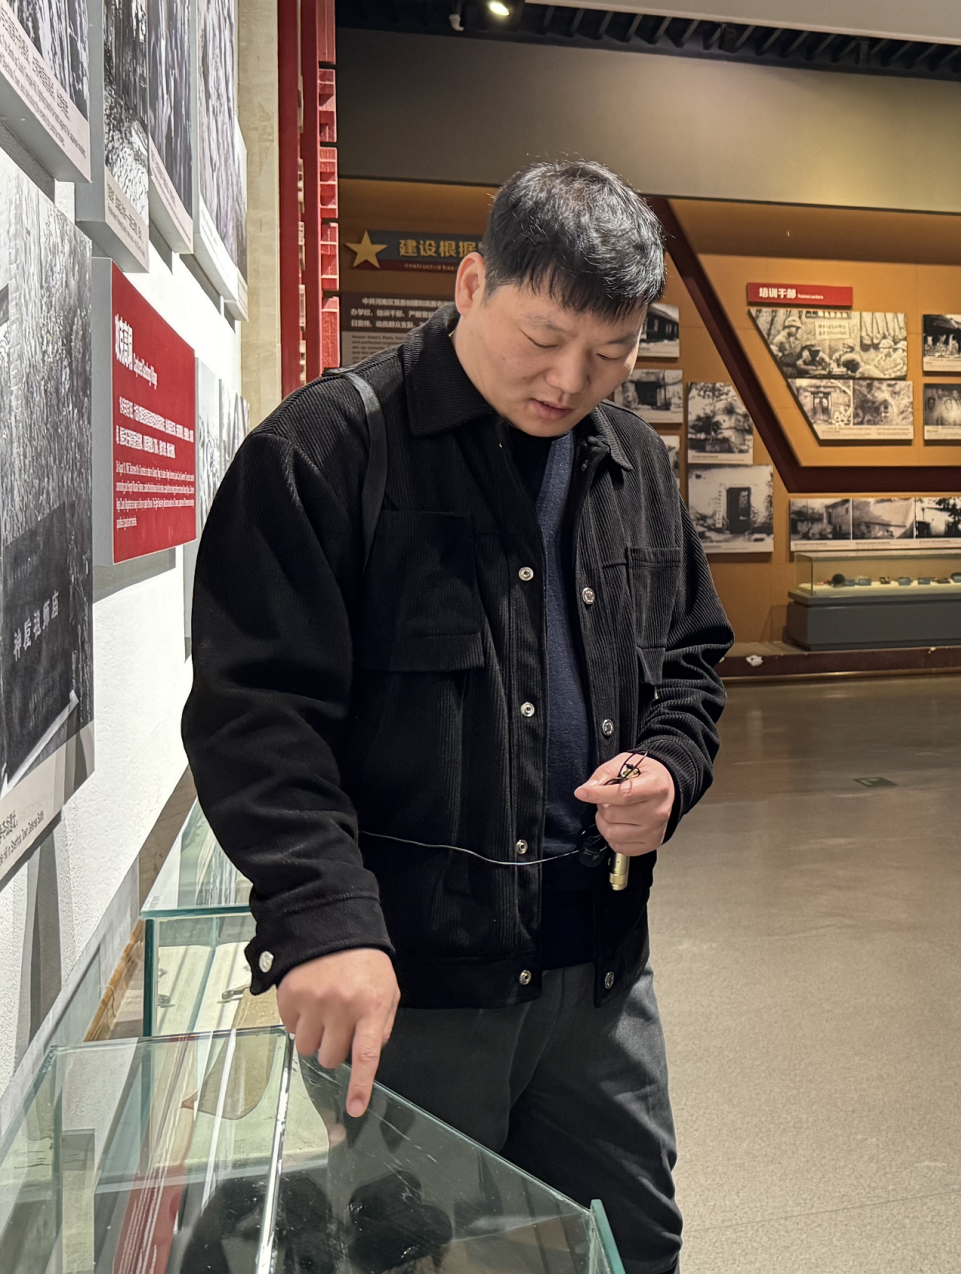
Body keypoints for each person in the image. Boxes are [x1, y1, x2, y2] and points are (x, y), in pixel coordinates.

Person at [184, 161, 733, 1274]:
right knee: (409, 1254)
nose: (571, 380)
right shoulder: (326, 454)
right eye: (543, 338)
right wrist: (321, 914)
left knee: (629, 1247)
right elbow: (258, 716)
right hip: (408, 986)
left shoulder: (630, 460)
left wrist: (671, 766)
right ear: (472, 283)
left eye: (612, 353)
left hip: (598, 976)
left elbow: (689, 657)